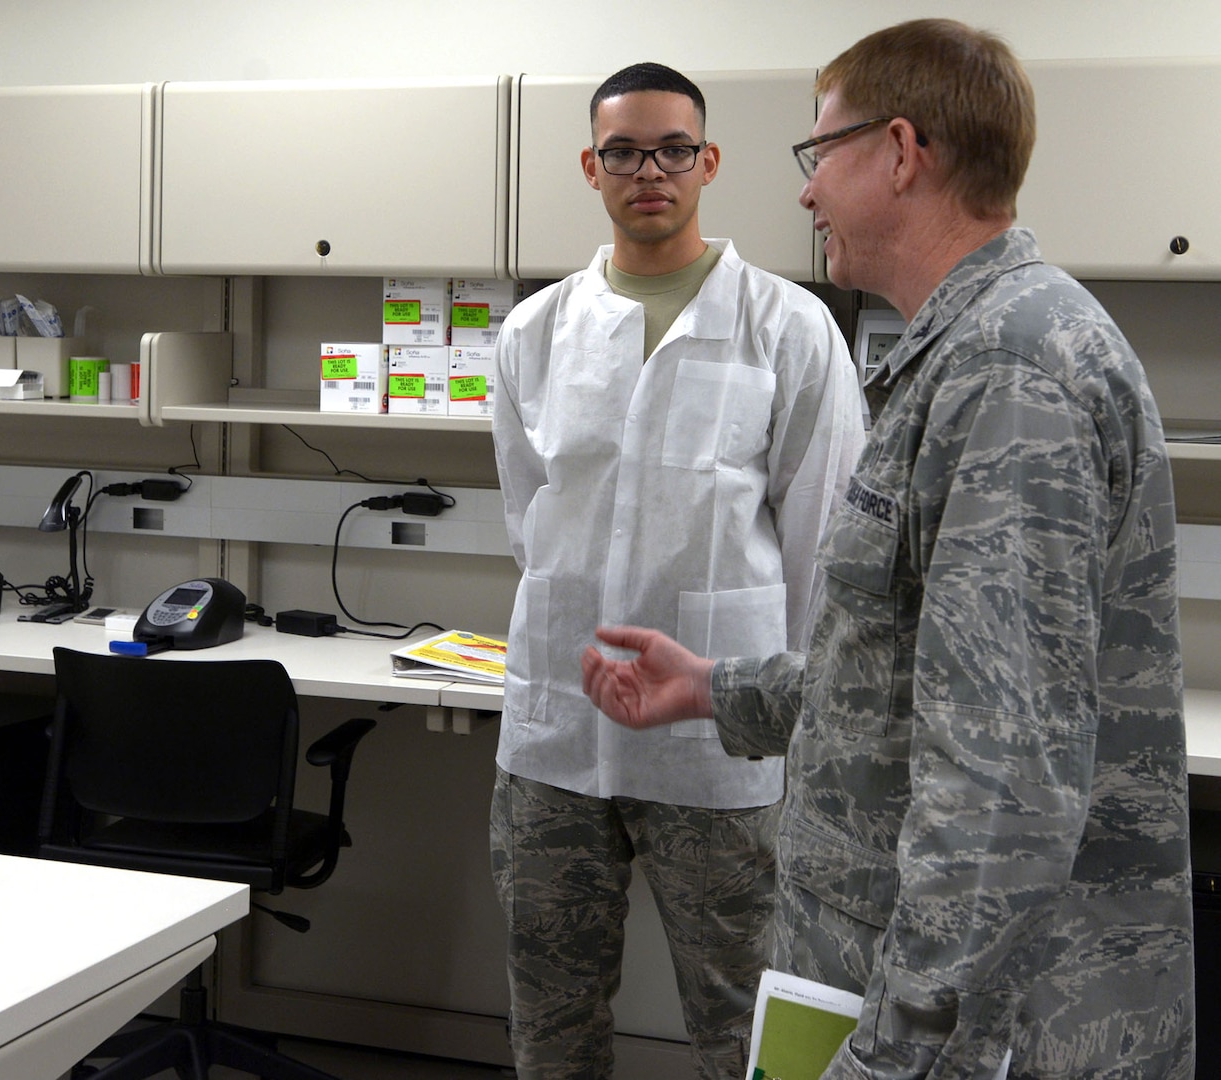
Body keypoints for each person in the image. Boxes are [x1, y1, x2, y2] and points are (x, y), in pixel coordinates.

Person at [582, 20, 1195, 1078]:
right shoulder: (963, 354)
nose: (806, 192)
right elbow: (909, 679)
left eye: (819, 155)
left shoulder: (1009, 375)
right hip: (899, 989)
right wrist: (714, 690)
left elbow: (998, 787)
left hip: (974, 1032)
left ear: (900, 153)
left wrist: (889, 1056)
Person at [490, 62, 865, 1079]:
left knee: (744, 1021)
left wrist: (787, 712)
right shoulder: (533, 335)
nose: (645, 170)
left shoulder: (785, 327)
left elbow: (821, 544)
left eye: (669, 150)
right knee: (549, 1019)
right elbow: (530, 520)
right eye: (622, 151)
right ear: (590, 166)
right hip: (552, 742)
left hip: (718, 747)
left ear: (706, 163)